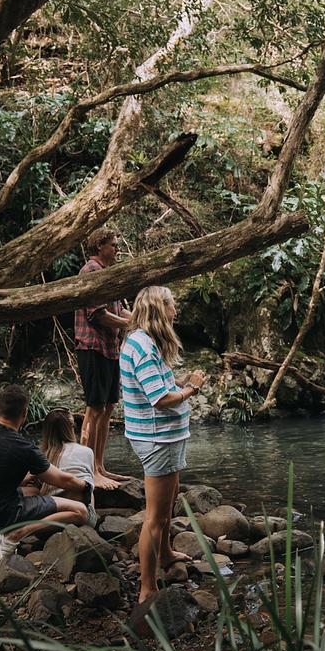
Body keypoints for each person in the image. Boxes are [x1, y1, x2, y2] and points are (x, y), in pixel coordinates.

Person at [120, 285, 207, 604]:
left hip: (163, 437)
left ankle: (167, 553)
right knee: (154, 516)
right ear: (160, 308)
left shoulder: (145, 341)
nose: (177, 309)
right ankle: (147, 587)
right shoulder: (142, 345)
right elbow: (159, 399)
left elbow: (159, 385)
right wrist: (191, 390)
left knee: (168, 502)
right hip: (157, 438)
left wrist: (180, 382)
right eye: (173, 304)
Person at [0, 384, 90, 560]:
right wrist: (84, 485)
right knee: (80, 511)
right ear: (25, 413)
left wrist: (25, 478)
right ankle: (18, 533)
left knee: (33, 491)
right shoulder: (22, 447)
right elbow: (63, 481)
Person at [74, 227, 132, 490]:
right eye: (113, 245)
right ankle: (87, 471)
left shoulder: (108, 274)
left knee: (108, 408)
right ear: (99, 246)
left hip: (110, 349)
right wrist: (129, 325)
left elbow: (121, 311)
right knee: (94, 408)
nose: (117, 249)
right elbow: (99, 315)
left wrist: (141, 319)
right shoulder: (90, 272)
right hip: (92, 347)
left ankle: (99, 465)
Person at [23, 408, 97, 526]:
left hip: (48, 516)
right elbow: (88, 482)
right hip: (81, 519)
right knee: (88, 490)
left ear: (46, 430)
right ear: (71, 428)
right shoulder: (87, 451)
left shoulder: (39, 454)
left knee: (34, 489)